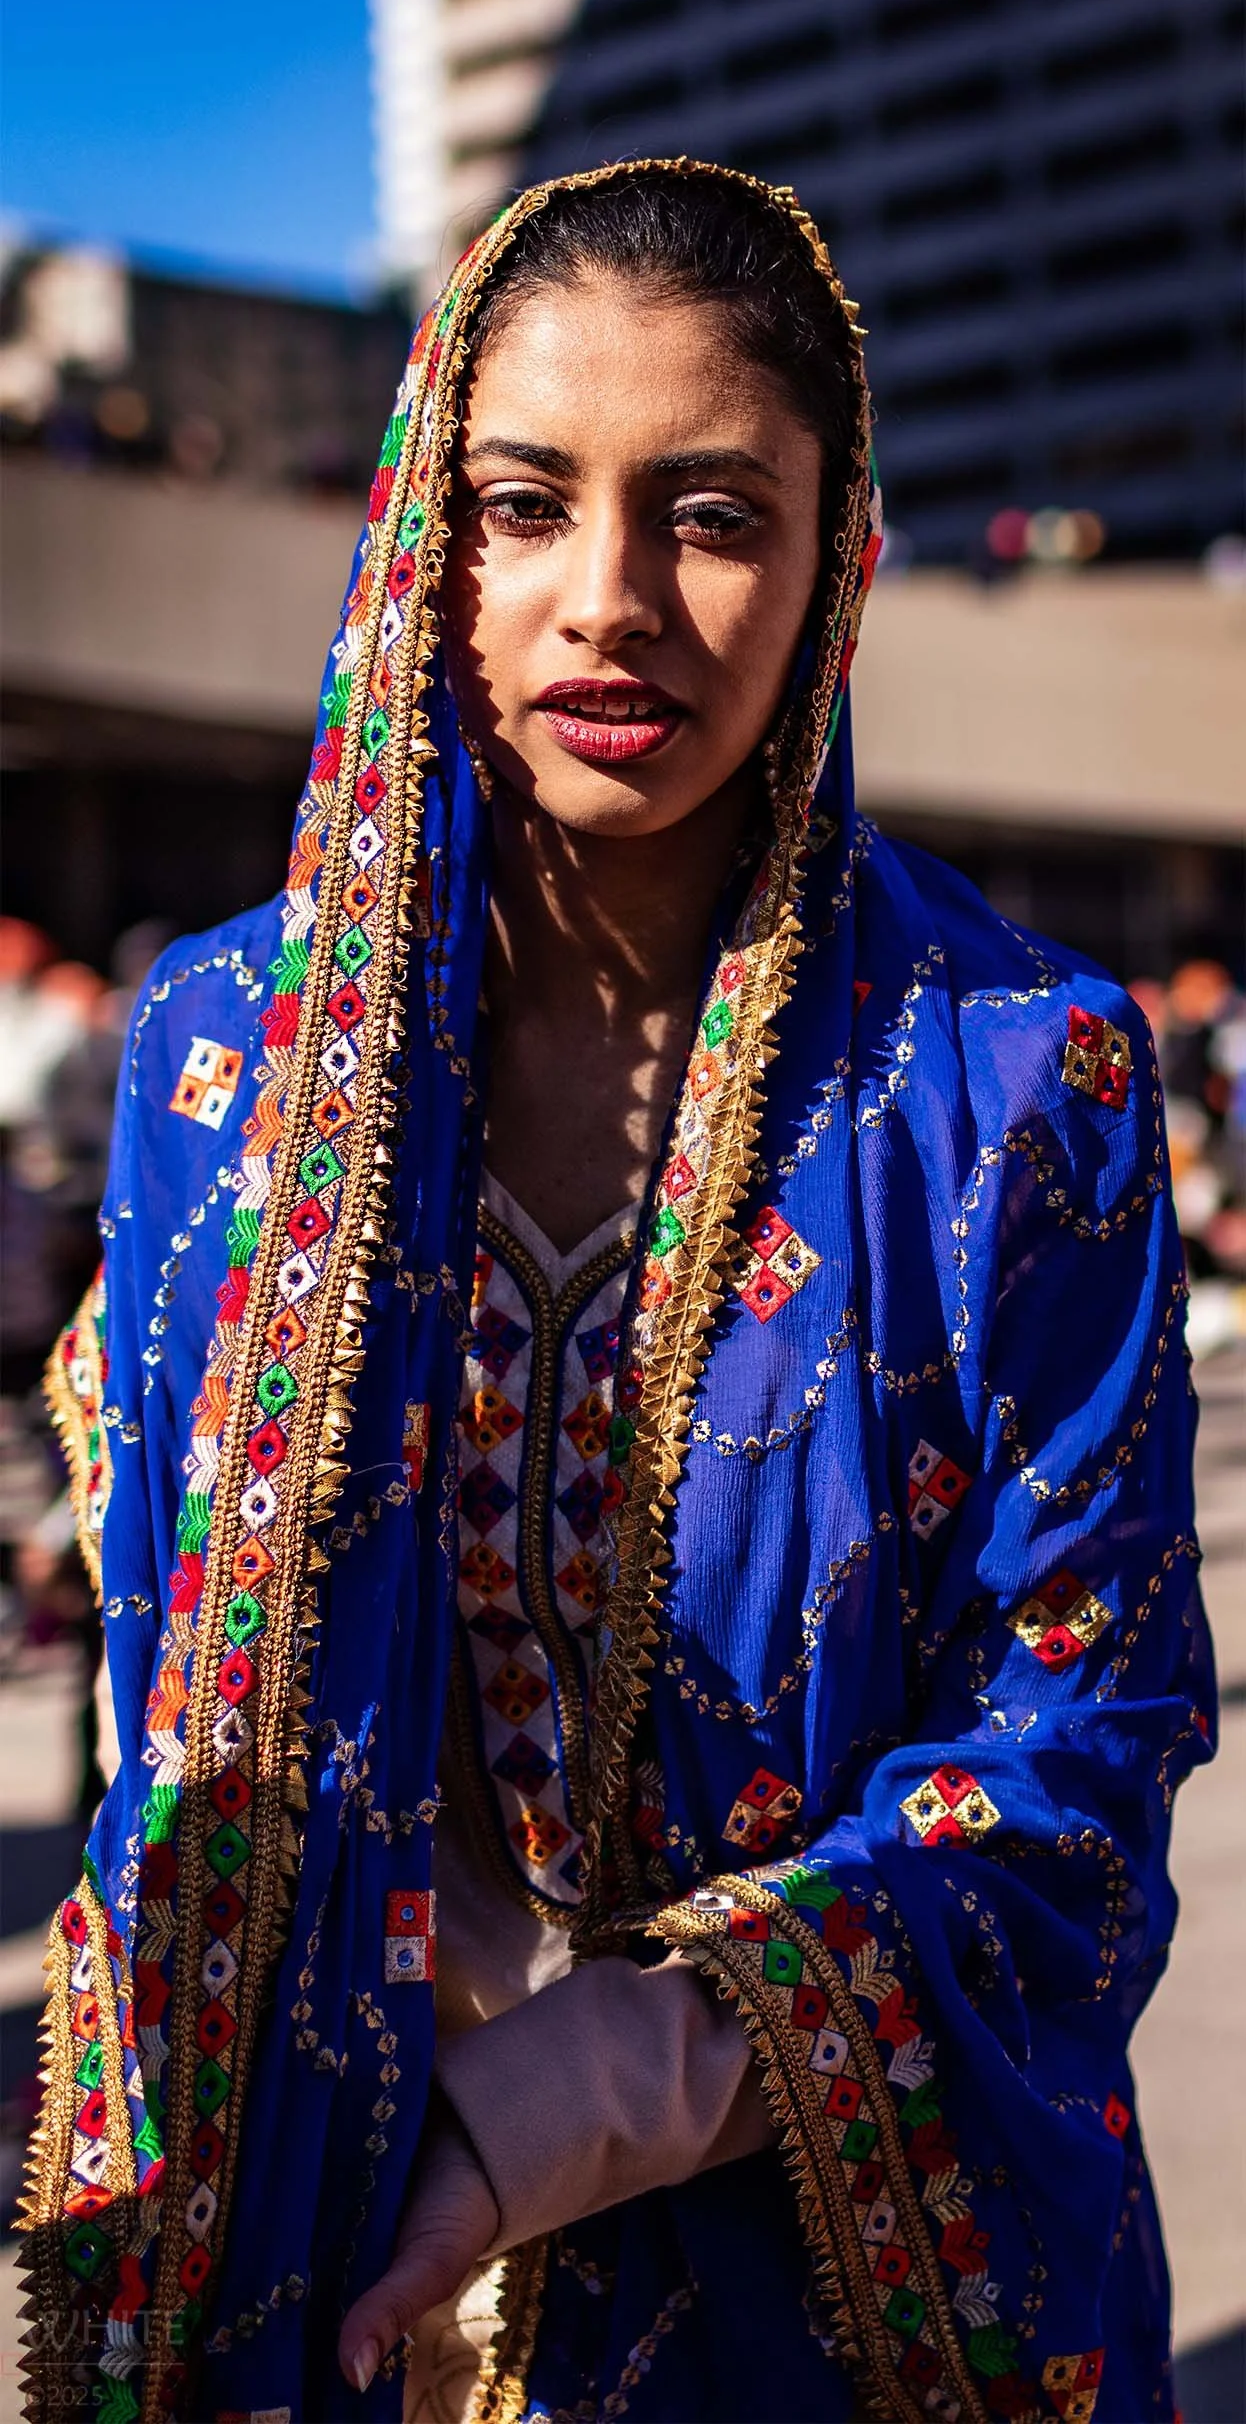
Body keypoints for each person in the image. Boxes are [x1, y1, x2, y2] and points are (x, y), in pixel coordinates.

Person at [20, 164, 1212, 2424]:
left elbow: (1077, 1754)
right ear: (413, 536)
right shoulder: (219, 1058)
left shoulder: (1009, 1085)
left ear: (836, 563)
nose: (606, 601)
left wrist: (586, 2084)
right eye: (519, 500)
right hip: (313, 2254)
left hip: (833, 2293)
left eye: (709, 513)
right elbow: (170, 1727)